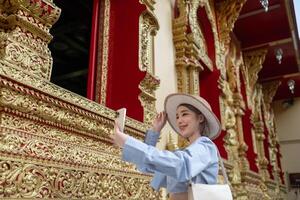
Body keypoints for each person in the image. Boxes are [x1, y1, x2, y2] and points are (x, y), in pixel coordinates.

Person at [111, 93, 221, 200]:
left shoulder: (206, 146)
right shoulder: (181, 153)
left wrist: (127, 142)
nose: (179, 120)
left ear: (200, 118)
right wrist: (155, 130)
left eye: (185, 114)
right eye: (177, 116)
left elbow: (182, 165)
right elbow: (146, 167)